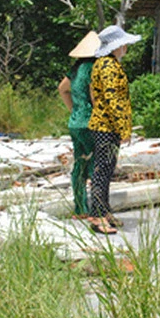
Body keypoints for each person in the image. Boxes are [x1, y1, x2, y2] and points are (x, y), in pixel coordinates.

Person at [87, 25, 141, 234]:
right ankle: (97, 215)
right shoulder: (108, 66)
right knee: (102, 171)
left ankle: (104, 210)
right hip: (105, 127)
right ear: (116, 46)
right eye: (123, 43)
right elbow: (113, 100)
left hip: (106, 125)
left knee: (108, 169)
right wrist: (123, 128)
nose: (126, 47)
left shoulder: (106, 64)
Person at [58, 31, 100, 219]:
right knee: (97, 164)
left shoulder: (75, 69)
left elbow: (62, 89)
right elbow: (94, 95)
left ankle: (80, 207)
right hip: (90, 122)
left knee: (80, 162)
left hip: (75, 122)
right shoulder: (95, 67)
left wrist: (74, 110)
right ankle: (98, 210)